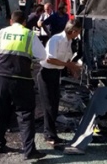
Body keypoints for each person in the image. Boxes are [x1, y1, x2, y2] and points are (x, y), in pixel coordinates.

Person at [0, 10, 47, 160]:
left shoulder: (1, 33)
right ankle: (29, 151)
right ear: (24, 22)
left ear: (11, 21)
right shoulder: (29, 34)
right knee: (25, 114)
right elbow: (42, 56)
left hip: (1, 77)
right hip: (21, 79)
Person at [37, 19, 82, 149]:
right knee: (48, 105)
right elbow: (50, 59)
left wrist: (71, 68)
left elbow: (66, 58)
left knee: (55, 104)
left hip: (56, 74)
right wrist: (68, 65)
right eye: (77, 32)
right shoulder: (56, 39)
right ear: (73, 31)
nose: (78, 34)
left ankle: (52, 134)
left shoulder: (69, 41)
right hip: (46, 73)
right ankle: (49, 135)